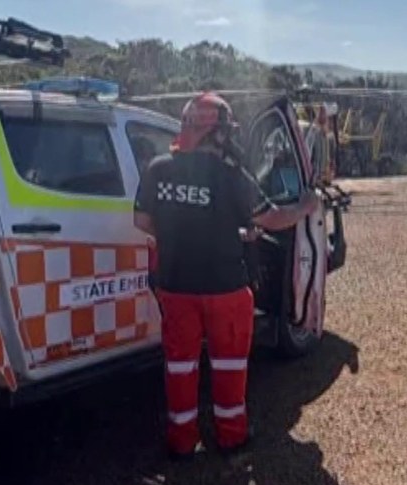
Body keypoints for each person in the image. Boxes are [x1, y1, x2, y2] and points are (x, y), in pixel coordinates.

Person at [133, 92, 318, 459]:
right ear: (211, 132)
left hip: (174, 288)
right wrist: (307, 205)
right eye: (224, 131)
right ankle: (231, 435)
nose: (228, 138)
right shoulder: (231, 175)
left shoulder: (157, 169)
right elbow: (272, 219)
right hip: (226, 290)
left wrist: (177, 233)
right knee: (229, 364)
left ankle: (182, 439)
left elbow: (141, 221)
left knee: (180, 366)